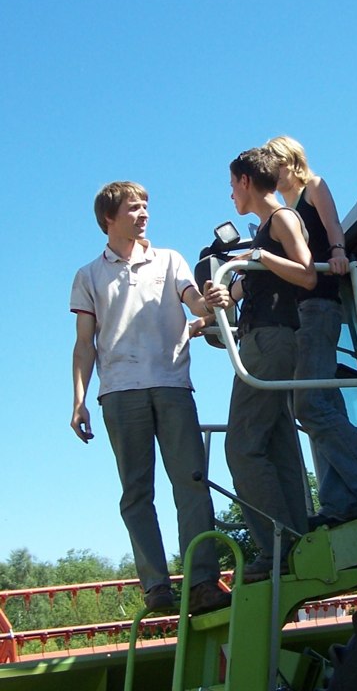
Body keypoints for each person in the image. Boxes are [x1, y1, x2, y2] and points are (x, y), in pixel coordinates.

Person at [69, 180, 231, 615]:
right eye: (134, 208)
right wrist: (79, 400)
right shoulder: (89, 275)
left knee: (191, 483)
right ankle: (156, 586)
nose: (144, 214)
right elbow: (84, 343)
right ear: (109, 218)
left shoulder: (170, 259)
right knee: (136, 492)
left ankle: (202, 583)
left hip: (173, 384)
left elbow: (195, 303)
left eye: (145, 207)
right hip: (119, 392)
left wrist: (211, 300)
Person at [265, 136, 357, 527]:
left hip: (321, 303)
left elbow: (331, 225)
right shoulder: (283, 209)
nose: (269, 174)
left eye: (273, 165)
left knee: (308, 405)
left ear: (289, 162)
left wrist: (338, 252)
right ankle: (338, 500)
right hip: (298, 312)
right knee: (321, 405)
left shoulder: (313, 188)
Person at [224, 148, 317, 582]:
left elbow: (306, 272)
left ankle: (277, 546)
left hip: (271, 340)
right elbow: (251, 283)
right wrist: (223, 298)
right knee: (277, 442)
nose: (231, 196)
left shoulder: (282, 219)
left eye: (232, 185)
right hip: (263, 337)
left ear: (245, 181)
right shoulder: (263, 230)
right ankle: (297, 538)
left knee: (241, 446)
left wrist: (259, 259)